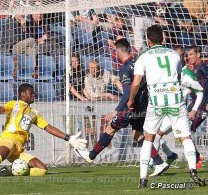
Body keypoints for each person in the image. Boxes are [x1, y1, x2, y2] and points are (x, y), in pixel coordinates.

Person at [74, 38, 169, 177]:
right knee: (138, 135)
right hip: (143, 107)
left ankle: (91, 156)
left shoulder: (124, 69)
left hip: (129, 109)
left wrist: (116, 111)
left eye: (114, 51)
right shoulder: (138, 63)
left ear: (118, 51)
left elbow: (127, 94)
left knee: (110, 129)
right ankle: (159, 162)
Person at [127, 25, 205, 187]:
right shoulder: (174, 55)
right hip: (175, 100)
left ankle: (143, 179)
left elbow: (135, 83)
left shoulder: (144, 57)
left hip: (156, 102)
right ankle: (193, 170)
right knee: (185, 137)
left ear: (148, 41)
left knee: (148, 138)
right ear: (163, 38)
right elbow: (177, 76)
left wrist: (131, 99)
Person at [0, 83, 87, 178]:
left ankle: (8, 173)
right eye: (31, 93)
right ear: (23, 94)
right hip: (9, 139)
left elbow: (48, 127)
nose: (33, 95)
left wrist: (68, 138)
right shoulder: (14, 104)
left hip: (19, 149)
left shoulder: (34, 113)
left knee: (42, 170)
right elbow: (0, 109)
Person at [151, 45, 204, 171]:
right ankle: (190, 161)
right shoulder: (166, 72)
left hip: (177, 112)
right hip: (164, 110)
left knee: (159, 136)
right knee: (159, 136)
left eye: (179, 55)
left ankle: (158, 164)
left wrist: (194, 109)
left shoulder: (187, 73)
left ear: (182, 57)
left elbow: (200, 91)